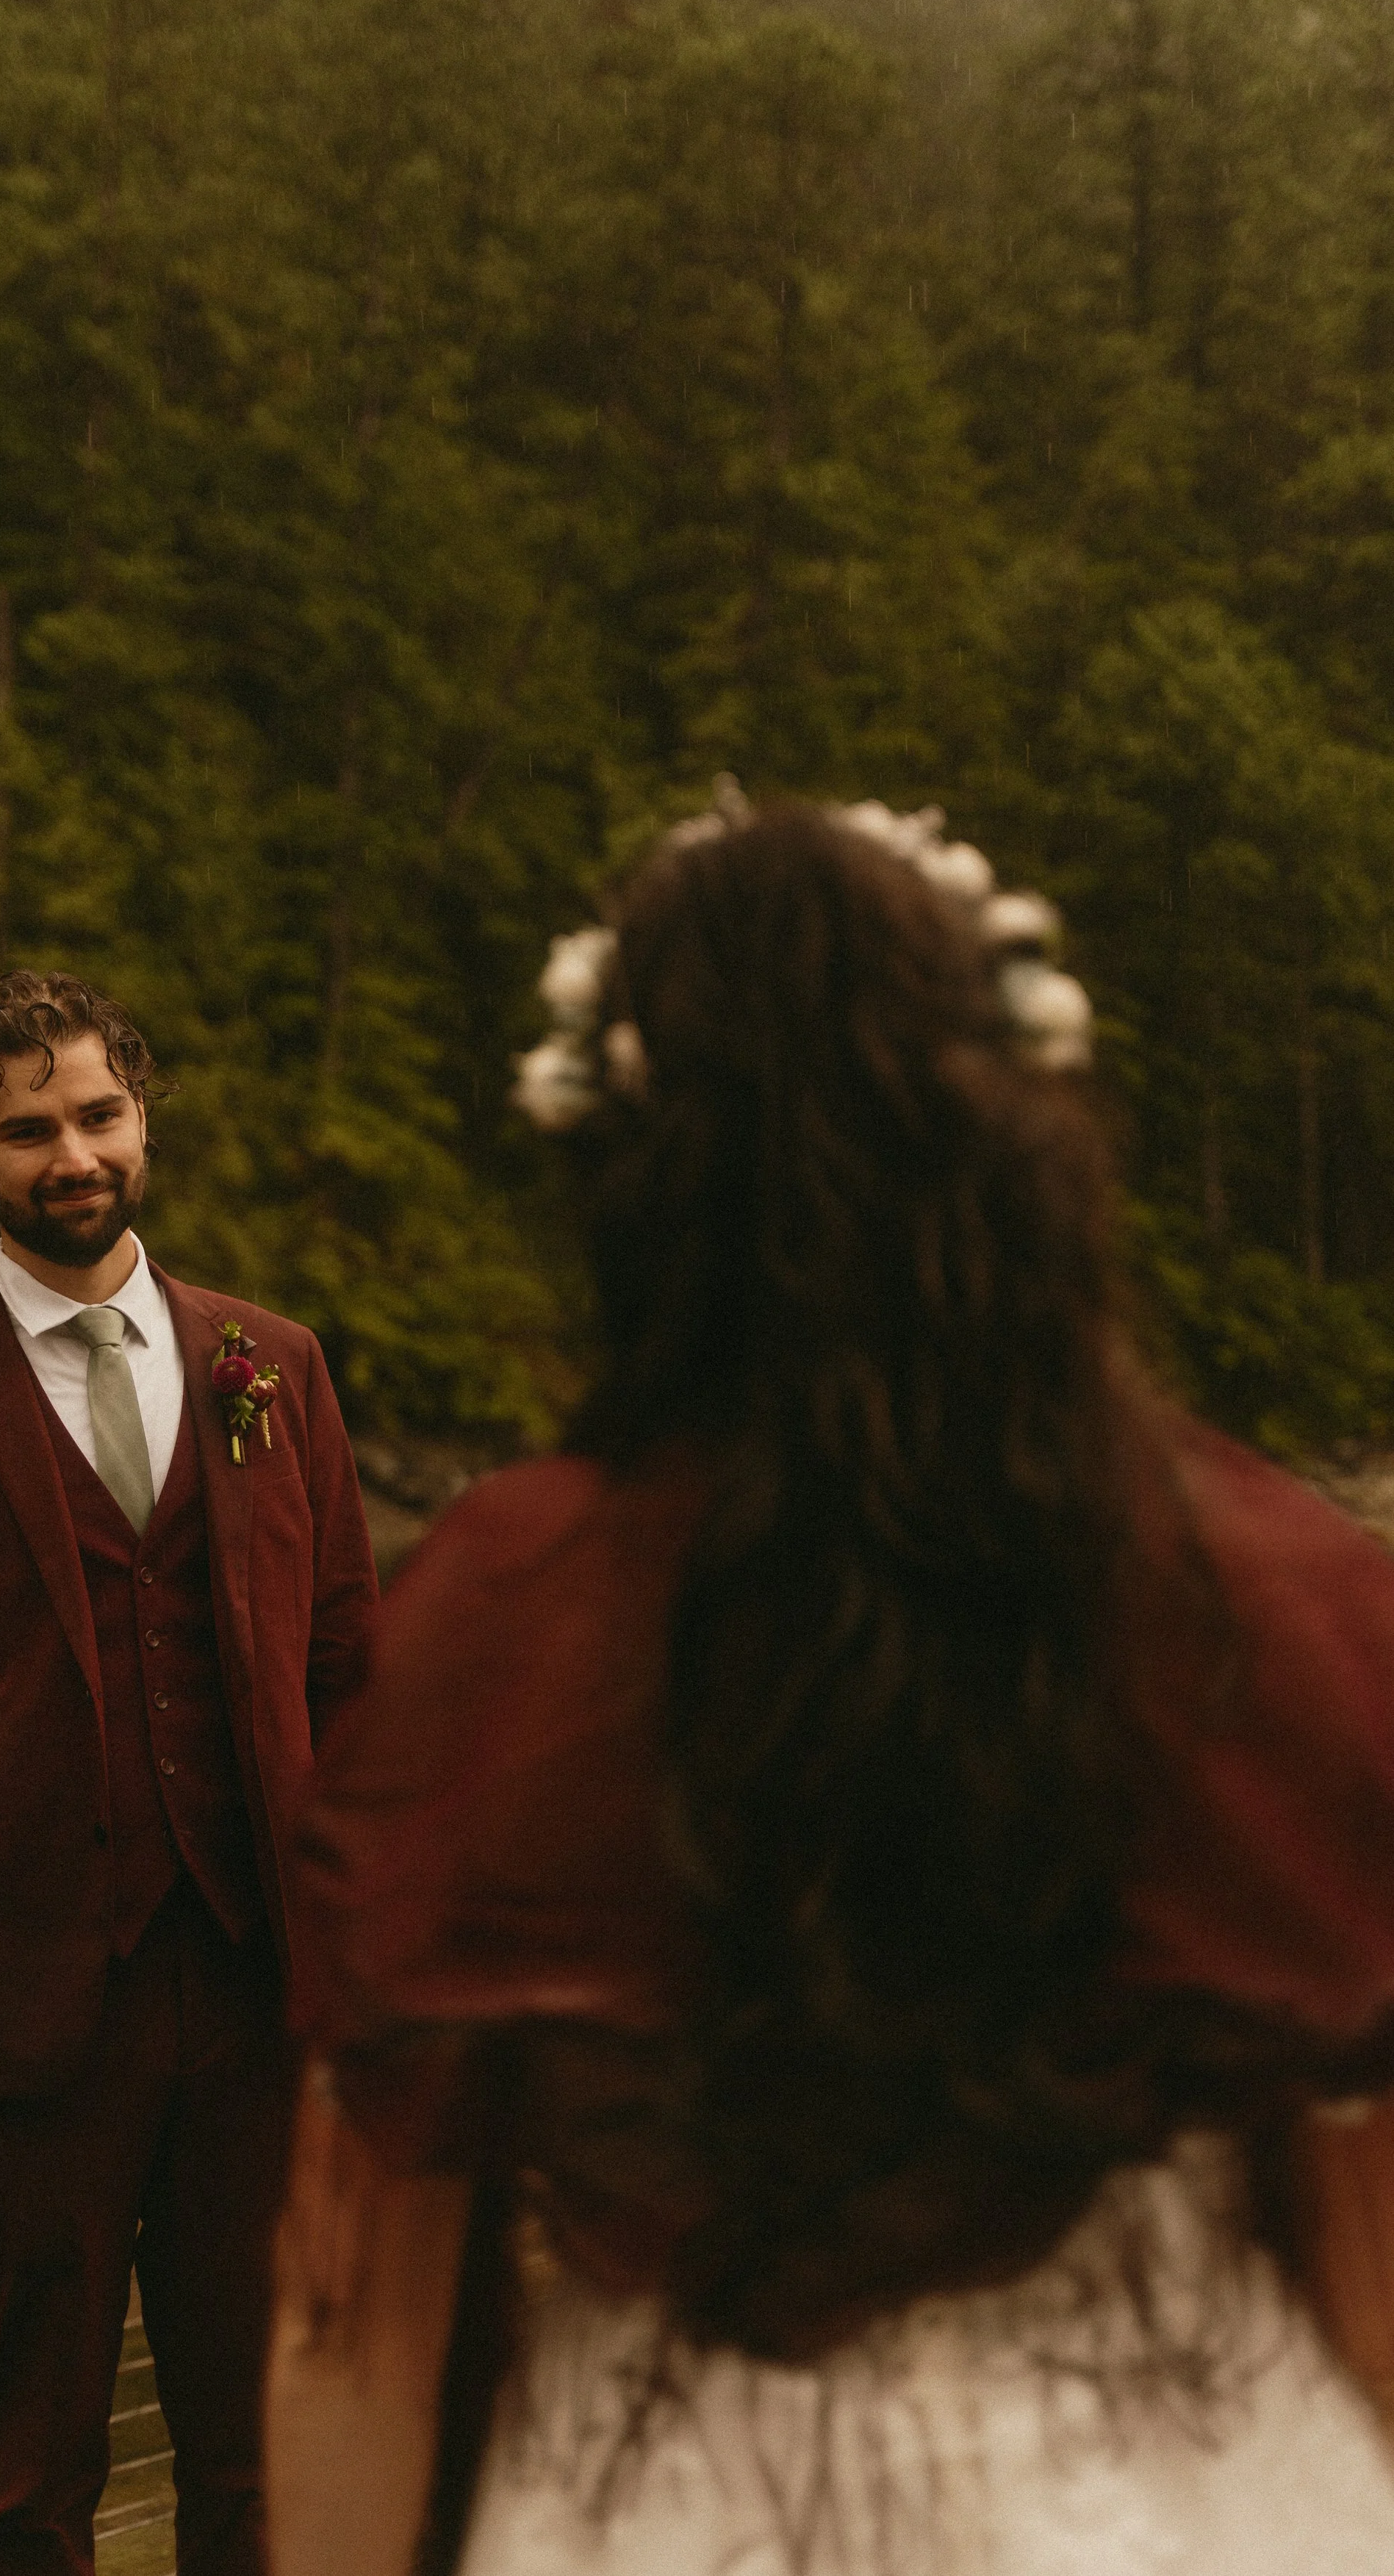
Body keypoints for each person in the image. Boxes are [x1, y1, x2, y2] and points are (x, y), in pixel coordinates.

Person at [265, 794, 1394, 2576]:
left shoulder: (496, 1636)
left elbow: (353, 2336)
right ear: (1011, 1127)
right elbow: (1372, 2273)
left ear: (628, 1175)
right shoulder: (1265, 1602)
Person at [0, 971, 377, 2576]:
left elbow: (351, 1690)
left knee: (260, 2458)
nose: (74, 1155)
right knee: (30, 2473)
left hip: (257, 1990)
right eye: (26, 1130)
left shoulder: (276, 1365)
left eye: (99, 1115)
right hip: (20, 2010)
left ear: (142, 1117)